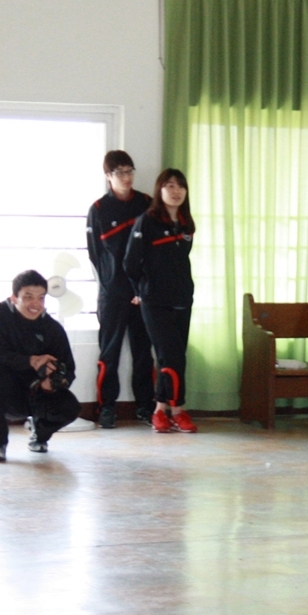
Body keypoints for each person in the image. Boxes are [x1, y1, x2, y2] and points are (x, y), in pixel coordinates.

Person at [0, 269, 82, 462]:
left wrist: (53, 383)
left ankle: (40, 435)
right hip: (9, 387)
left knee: (70, 407)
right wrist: (31, 361)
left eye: (41, 298)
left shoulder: (53, 329)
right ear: (14, 298)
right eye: (28, 297)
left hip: (38, 390)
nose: (35, 304)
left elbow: (68, 368)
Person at [86, 150, 156, 429]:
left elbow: (153, 249)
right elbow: (96, 255)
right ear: (108, 176)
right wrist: (112, 286)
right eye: (119, 172)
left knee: (143, 352)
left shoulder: (146, 204)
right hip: (112, 294)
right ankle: (106, 408)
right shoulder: (99, 209)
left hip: (142, 293)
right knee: (109, 353)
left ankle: (145, 406)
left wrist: (143, 288)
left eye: (129, 171)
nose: (126, 177)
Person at [125, 169, 199, 434]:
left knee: (173, 357)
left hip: (182, 299)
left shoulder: (187, 223)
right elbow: (130, 262)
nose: (176, 191)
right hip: (154, 301)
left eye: (180, 186)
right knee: (171, 355)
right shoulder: (146, 221)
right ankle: (177, 410)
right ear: (160, 190)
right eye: (169, 186)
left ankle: (159, 410)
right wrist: (139, 290)